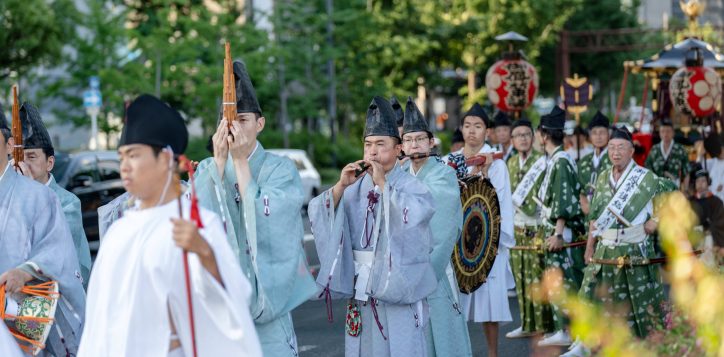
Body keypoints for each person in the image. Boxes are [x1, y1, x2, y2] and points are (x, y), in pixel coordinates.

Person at [78, 94, 262, 356]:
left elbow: (234, 303)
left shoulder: (198, 225)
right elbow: (97, 325)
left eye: (133, 155)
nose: (124, 168)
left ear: (165, 158)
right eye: (121, 158)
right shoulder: (119, 232)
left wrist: (205, 255)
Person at [194, 60, 316, 356]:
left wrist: (239, 162)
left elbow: (277, 223)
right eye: (226, 120)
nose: (233, 127)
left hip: (268, 300)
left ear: (260, 124)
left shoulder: (281, 169)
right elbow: (199, 222)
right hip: (223, 304)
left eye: (243, 119)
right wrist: (221, 162)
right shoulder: (209, 168)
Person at [308, 96, 437, 357]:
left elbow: (415, 218)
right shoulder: (353, 187)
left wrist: (384, 187)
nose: (373, 152)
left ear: (399, 149)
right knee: (364, 349)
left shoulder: (412, 186)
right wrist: (339, 187)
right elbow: (318, 214)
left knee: (402, 348)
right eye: (368, 145)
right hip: (362, 286)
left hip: (399, 286)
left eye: (381, 144)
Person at [569, 126, 668, 356]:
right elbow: (595, 215)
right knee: (591, 295)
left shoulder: (645, 177)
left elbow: (668, 199)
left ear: (631, 151)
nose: (615, 152)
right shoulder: (603, 177)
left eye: (621, 147)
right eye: (612, 148)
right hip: (604, 246)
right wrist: (589, 246)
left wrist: (654, 222)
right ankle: (586, 344)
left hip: (634, 248)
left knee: (634, 305)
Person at [0, 104, 85, 356]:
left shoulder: (42, 197)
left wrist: (26, 271)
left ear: (8, 145)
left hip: (22, 316)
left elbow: (59, 250)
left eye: (32, 155)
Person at [400, 97, 472, 356]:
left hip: (434, 268)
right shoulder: (401, 175)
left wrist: (427, 271)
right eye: (408, 140)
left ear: (431, 142)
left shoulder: (443, 174)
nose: (414, 144)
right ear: (402, 145)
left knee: (442, 333)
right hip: (404, 270)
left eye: (420, 139)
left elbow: (444, 227)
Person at [443, 103, 515, 357]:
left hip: (487, 239)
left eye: (478, 126)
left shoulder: (496, 164)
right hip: (455, 240)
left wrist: (482, 175)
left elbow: (500, 203)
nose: (472, 131)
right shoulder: (449, 162)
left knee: (490, 305)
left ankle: (492, 353)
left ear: (487, 132)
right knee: (453, 305)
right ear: (461, 129)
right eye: (468, 125)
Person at [17, 103, 92, 288]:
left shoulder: (68, 202)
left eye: (32, 157)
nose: (24, 165)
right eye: (19, 158)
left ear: (50, 163)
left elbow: (57, 252)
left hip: (61, 296)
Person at [535, 106, 586, 347]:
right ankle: (564, 329)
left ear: (544, 134)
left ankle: (575, 333)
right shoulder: (556, 159)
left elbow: (563, 199)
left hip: (561, 233)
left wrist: (557, 232)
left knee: (566, 282)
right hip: (554, 230)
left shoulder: (561, 161)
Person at [505, 118, 554, 339]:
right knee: (521, 276)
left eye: (527, 134)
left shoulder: (542, 161)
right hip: (517, 227)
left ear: (533, 138)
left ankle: (544, 325)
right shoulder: (511, 162)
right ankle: (526, 323)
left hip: (536, 225)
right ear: (512, 140)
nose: (523, 139)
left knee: (537, 276)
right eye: (518, 135)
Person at [578, 111, 612, 216]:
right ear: (589, 135)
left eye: (602, 132)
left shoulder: (614, 158)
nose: (598, 137)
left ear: (609, 134)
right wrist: (583, 201)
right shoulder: (584, 161)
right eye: (594, 133)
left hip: (607, 213)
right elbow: (577, 187)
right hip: (586, 215)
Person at [688, 167, 724, 263]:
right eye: (698, 181)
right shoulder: (689, 203)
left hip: (711, 243)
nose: (700, 183)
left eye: (703, 180)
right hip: (693, 242)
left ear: (708, 182)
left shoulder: (717, 202)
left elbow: (720, 224)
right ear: (694, 184)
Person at [645, 118, 690, 188]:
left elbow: (686, 171)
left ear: (673, 133)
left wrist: (686, 189)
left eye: (668, 131)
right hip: (657, 188)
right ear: (659, 133)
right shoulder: (654, 150)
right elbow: (648, 169)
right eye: (662, 131)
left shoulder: (680, 149)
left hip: (675, 187)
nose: (665, 134)